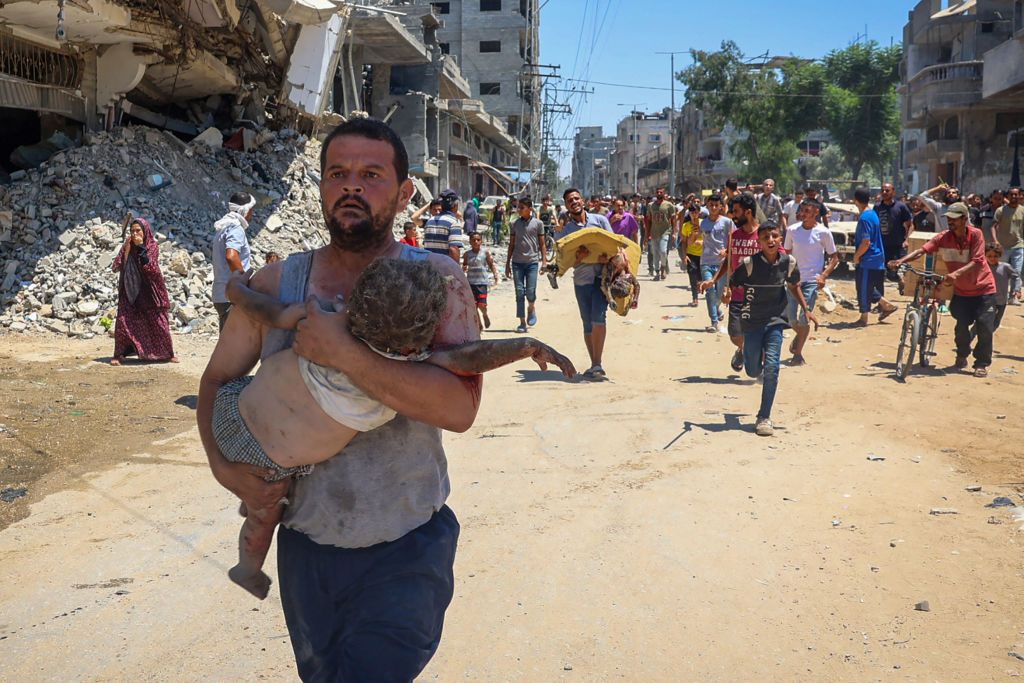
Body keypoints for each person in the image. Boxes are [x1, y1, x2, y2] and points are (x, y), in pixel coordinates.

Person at [198, 118, 480, 680]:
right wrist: (225, 469)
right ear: (322, 186)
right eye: (338, 173)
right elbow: (214, 382)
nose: (351, 186)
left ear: (404, 194)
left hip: (407, 543)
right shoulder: (280, 283)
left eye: (371, 175)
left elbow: (459, 409)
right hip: (309, 545)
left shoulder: (438, 282)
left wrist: (345, 354)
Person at [216, 258, 573, 599]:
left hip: (233, 406)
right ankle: (247, 567)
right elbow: (466, 357)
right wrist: (526, 346)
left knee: (264, 496)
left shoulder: (320, 320)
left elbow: (263, 308)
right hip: (267, 456)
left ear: (355, 304)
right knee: (267, 509)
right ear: (414, 343)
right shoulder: (399, 374)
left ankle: (250, 531)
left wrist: (235, 289)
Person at [890, 202, 998, 377]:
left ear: (964, 219)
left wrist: (956, 274)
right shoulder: (943, 237)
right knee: (961, 327)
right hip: (962, 292)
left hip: (983, 289)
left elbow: (978, 260)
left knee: (985, 327)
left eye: (954, 219)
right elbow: (921, 251)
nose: (950, 222)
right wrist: (901, 261)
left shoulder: (976, 235)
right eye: (948, 219)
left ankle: (981, 363)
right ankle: (962, 354)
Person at [728, 222, 809, 437]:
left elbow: (794, 286)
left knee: (772, 368)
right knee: (753, 371)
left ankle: (764, 416)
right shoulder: (749, 264)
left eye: (774, 236)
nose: (771, 240)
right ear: (759, 241)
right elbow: (734, 282)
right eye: (766, 237)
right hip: (752, 321)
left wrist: (806, 309)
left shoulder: (788, 262)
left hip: (775, 320)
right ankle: (746, 354)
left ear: (780, 238)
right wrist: (727, 294)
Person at [556, 187, 614, 380]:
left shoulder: (600, 221)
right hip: (581, 281)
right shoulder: (567, 232)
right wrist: (577, 258)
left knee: (599, 316)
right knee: (587, 322)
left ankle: (597, 363)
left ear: (583, 201)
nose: (574, 202)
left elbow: (615, 246)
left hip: (602, 278)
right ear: (566, 206)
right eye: (569, 200)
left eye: (576, 198)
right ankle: (594, 362)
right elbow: (562, 263)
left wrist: (609, 258)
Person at [702, 194, 763, 372]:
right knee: (735, 334)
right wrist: (714, 281)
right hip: (737, 294)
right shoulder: (734, 235)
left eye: (736, 211)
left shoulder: (764, 235)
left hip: (760, 297)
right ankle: (743, 349)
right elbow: (729, 261)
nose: (733, 215)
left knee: (761, 335)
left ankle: (762, 367)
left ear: (748, 212)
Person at [111, 217, 177, 365]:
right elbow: (117, 264)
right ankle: (119, 354)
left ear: (145, 231)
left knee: (158, 322)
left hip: (150, 288)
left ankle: (168, 353)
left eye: (138, 230)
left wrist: (141, 247)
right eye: (132, 231)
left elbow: (151, 267)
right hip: (131, 287)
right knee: (124, 322)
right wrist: (125, 254)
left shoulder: (152, 246)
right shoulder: (128, 244)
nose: (135, 234)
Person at [784, 200, 838, 364]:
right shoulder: (792, 230)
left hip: (811, 281)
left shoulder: (823, 232)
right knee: (791, 318)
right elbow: (786, 254)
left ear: (816, 213)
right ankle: (800, 337)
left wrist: (823, 275)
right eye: (802, 210)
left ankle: (798, 354)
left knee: (804, 318)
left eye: (807, 211)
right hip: (793, 281)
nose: (803, 213)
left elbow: (834, 258)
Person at [851, 186, 898, 326]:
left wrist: (856, 256)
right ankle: (886, 305)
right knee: (867, 286)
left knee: (864, 287)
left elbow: (866, 242)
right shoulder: (872, 214)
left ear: (855, 201)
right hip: (876, 257)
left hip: (868, 258)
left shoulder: (864, 218)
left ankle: (863, 318)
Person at [212, 192, 254, 330]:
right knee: (235, 346)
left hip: (222, 294)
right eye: (251, 209)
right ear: (245, 210)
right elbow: (231, 256)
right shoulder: (236, 228)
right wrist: (243, 282)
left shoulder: (224, 226)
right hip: (232, 296)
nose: (252, 213)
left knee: (228, 342)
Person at [506, 196, 547, 333]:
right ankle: (522, 322)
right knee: (519, 292)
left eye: (522, 208)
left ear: (530, 209)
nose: (519, 210)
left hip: (532, 263)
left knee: (530, 291)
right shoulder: (514, 224)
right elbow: (511, 244)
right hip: (517, 263)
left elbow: (542, 244)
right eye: (518, 207)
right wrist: (507, 264)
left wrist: (544, 261)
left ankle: (531, 307)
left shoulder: (538, 224)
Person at [698, 194, 733, 333]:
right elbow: (701, 239)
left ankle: (716, 308)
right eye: (711, 205)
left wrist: (727, 250)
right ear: (707, 206)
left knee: (719, 293)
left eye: (716, 205)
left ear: (720, 207)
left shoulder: (727, 222)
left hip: (722, 264)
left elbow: (732, 238)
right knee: (709, 291)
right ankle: (714, 321)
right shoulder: (703, 223)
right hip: (706, 261)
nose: (713, 208)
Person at [874, 182, 914, 284]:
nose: (884, 192)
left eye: (887, 190)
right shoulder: (877, 207)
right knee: (879, 272)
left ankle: (901, 281)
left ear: (893, 192)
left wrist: (907, 240)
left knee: (894, 272)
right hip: (881, 245)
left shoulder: (901, 207)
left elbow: (911, 225)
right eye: (882, 190)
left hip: (896, 245)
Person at [463, 231, 500, 330]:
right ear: (470, 242)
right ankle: (479, 324)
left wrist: (496, 275)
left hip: (482, 282)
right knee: (473, 306)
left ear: (481, 241)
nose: (476, 242)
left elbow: (491, 264)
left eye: (478, 240)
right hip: (471, 282)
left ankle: (484, 314)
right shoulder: (467, 254)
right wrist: (464, 269)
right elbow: (464, 266)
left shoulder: (485, 253)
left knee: (482, 305)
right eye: (473, 240)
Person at [992, 187, 1023, 299]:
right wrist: (995, 241)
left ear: (1020, 196)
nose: (1014, 197)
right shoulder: (1000, 210)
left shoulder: (1023, 210)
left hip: (1018, 245)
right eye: (1011, 195)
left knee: (1017, 271)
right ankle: (998, 294)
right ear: (1008, 197)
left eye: (1016, 195)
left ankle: (1014, 295)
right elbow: (993, 226)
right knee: (1000, 271)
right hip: (1003, 246)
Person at [982, 242, 1020, 332]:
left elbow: (1016, 277)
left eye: (995, 256)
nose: (992, 258)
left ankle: (985, 343)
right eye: (989, 256)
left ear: (999, 256)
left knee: (996, 323)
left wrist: (1016, 289)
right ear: (985, 255)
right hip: (987, 300)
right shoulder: (982, 268)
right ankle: (969, 341)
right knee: (983, 322)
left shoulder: (1005, 267)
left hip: (1002, 301)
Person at [422, 189, 463, 261]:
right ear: (455, 205)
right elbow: (453, 249)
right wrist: (457, 270)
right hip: (444, 268)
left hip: (429, 266)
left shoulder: (430, 221)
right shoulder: (453, 222)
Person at [646, 187, 676, 280]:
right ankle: (657, 272)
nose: (659, 193)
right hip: (654, 232)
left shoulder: (669, 205)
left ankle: (663, 267)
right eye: (657, 192)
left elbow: (673, 219)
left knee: (663, 251)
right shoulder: (651, 205)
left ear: (664, 193)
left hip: (665, 232)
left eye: (661, 192)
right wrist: (647, 234)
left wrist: (674, 232)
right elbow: (649, 220)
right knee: (655, 253)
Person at [680, 204, 704, 307]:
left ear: (699, 213)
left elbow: (710, 239)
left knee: (700, 277)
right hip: (691, 254)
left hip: (704, 255)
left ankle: (700, 285)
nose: (694, 214)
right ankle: (695, 298)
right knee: (692, 276)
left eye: (696, 212)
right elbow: (684, 242)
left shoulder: (704, 224)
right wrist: (684, 256)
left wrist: (703, 243)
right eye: (692, 212)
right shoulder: (686, 226)